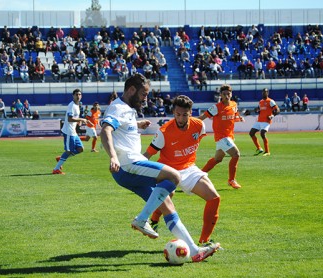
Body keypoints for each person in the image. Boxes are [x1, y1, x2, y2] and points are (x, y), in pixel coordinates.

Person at [100, 74, 219, 262]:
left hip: (126, 172)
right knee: (173, 176)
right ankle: (142, 218)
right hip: (128, 164)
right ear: (131, 90)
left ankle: (195, 252)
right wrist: (113, 156)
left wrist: (136, 124)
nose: (146, 98)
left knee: (167, 206)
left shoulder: (127, 109)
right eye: (143, 94)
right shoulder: (118, 108)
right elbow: (106, 130)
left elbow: (120, 127)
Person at [144, 95, 221, 245]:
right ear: (173, 113)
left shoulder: (199, 125)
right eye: (178, 114)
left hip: (188, 168)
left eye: (185, 115)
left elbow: (191, 143)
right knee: (168, 196)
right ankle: (154, 219)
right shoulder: (164, 131)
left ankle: (204, 241)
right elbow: (148, 154)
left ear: (190, 113)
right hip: (168, 170)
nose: (181, 118)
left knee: (214, 198)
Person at [199, 84, 244, 189]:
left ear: (231, 94)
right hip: (221, 137)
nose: (227, 96)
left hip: (230, 136)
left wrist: (238, 118)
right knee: (236, 154)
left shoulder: (234, 104)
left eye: (228, 94)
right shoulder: (216, 107)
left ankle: (198, 175)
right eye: (224, 94)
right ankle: (231, 180)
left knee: (217, 159)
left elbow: (235, 115)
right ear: (221, 95)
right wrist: (190, 122)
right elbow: (203, 117)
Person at [52, 89, 93, 175]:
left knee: (80, 149)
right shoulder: (71, 105)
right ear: (73, 96)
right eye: (76, 94)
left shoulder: (78, 105)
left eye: (79, 94)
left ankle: (61, 158)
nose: (78, 96)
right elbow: (70, 118)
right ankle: (56, 169)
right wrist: (82, 119)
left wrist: (79, 121)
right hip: (68, 131)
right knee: (68, 151)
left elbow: (74, 118)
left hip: (73, 131)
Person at [249, 88, 280, 156]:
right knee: (251, 133)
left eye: (265, 92)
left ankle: (267, 151)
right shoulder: (261, 101)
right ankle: (259, 148)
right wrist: (254, 110)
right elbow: (258, 110)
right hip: (259, 120)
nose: (264, 93)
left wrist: (272, 116)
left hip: (266, 121)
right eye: (263, 92)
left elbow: (277, 110)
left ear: (267, 93)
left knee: (262, 133)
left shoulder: (270, 101)